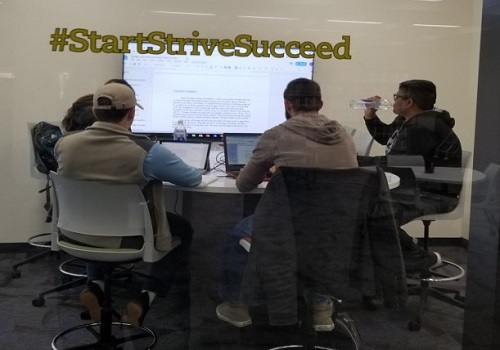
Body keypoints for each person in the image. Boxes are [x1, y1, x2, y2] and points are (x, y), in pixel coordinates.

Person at [55, 81, 202, 327]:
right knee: (183, 228)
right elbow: (193, 179)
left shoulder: (64, 144)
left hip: (75, 234)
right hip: (131, 237)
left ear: (95, 111)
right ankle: (147, 296)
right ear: (132, 113)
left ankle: (96, 286)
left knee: (98, 214)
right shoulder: (147, 151)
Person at [216, 78, 358, 331]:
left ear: (287, 104)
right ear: (321, 104)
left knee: (238, 230)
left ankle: (237, 306)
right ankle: (321, 306)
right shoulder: (344, 135)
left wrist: (274, 169)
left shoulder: (276, 135)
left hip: (287, 228)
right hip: (336, 228)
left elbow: (244, 185)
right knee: (317, 244)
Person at [360, 79, 462, 272]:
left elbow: (396, 163)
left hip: (431, 194)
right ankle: (401, 247)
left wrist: (351, 160)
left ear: (409, 102)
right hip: (415, 187)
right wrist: (370, 115)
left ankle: (419, 257)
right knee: (365, 207)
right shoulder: (411, 121)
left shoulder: (423, 127)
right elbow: (386, 137)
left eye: (397, 96)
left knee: (374, 213)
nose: (394, 100)